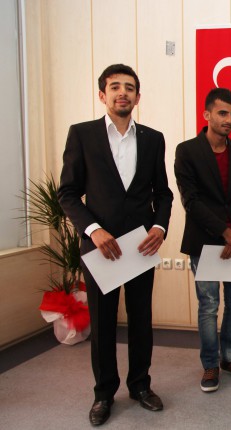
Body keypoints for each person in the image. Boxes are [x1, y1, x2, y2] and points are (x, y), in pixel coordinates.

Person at [58, 64, 173, 426]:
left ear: (138, 97)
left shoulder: (153, 139)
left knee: (141, 321)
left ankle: (140, 386)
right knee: (104, 323)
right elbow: (68, 193)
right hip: (101, 248)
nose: (122, 92)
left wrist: (159, 227)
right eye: (115, 87)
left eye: (129, 88)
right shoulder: (82, 135)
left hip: (140, 246)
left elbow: (163, 193)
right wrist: (93, 230)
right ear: (102, 95)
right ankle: (103, 394)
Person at [174, 88, 231, 392]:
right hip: (205, 240)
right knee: (209, 305)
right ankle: (210, 364)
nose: (229, 120)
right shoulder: (187, 151)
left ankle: (230, 358)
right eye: (223, 113)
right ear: (207, 114)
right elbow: (191, 201)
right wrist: (225, 232)